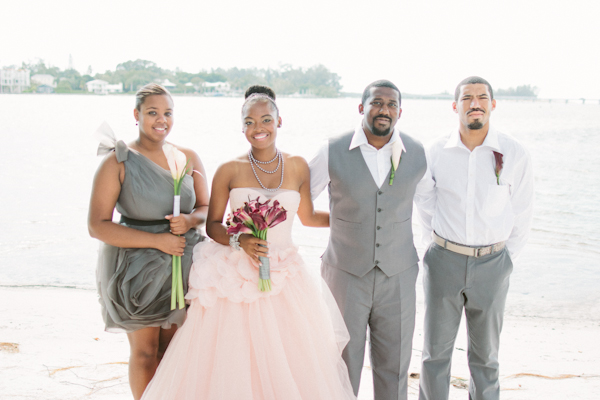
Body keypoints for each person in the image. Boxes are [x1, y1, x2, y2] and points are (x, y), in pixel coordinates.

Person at [141, 86, 356, 400]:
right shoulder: (229, 169)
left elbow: (308, 216)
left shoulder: (297, 167)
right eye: (250, 122)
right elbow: (213, 224)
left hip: (285, 276)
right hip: (235, 278)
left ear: (279, 121)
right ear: (242, 126)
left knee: (289, 360)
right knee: (233, 360)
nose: (259, 128)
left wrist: (351, 218)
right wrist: (239, 239)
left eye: (266, 120)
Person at [415, 76, 534, 400]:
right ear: (456, 106)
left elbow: (522, 211)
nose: (475, 103)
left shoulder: (513, 152)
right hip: (444, 263)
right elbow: (424, 202)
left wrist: (505, 259)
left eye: (482, 97)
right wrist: (433, 247)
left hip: (493, 265)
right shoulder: (436, 151)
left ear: (493, 104)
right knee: (434, 353)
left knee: (486, 358)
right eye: (467, 98)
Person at [88, 83, 209, 400]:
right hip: (136, 269)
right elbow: (97, 225)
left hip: (184, 263)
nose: (162, 120)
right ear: (136, 115)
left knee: (174, 351)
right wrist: (157, 243)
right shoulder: (119, 161)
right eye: (153, 112)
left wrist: (190, 220)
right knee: (145, 352)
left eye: (168, 113)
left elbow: (206, 208)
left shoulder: (188, 157)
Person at [309, 80, 427, 400]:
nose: (383, 110)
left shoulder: (417, 153)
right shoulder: (332, 150)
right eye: (376, 103)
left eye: (391, 104)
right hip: (344, 273)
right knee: (342, 362)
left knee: (396, 363)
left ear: (400, 112)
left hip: (399, 274)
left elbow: (431, 207)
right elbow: (301, 203)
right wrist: (343, 225)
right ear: (361, 107)